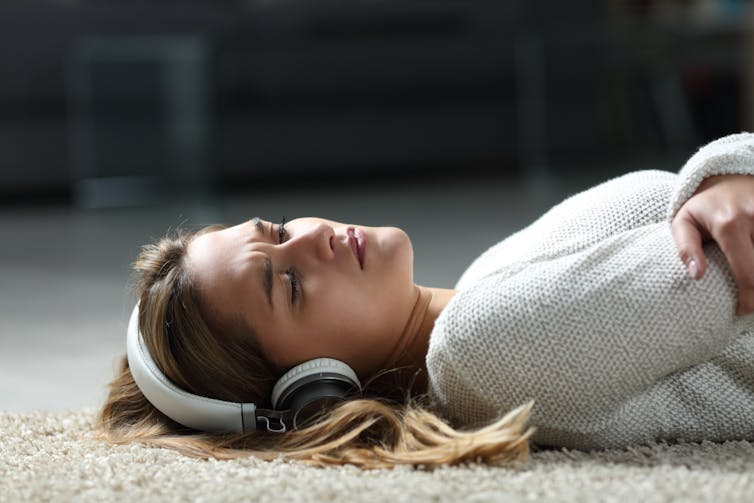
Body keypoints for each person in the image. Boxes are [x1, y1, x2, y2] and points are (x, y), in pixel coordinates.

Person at [98, 133, 754, 468]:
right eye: (288, 285)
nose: (313, 240)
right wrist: (728, 170)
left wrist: (725, 173)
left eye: (278, 231)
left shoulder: (485, 279)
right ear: (313, 389)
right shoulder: (484, 348)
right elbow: (734, 263)